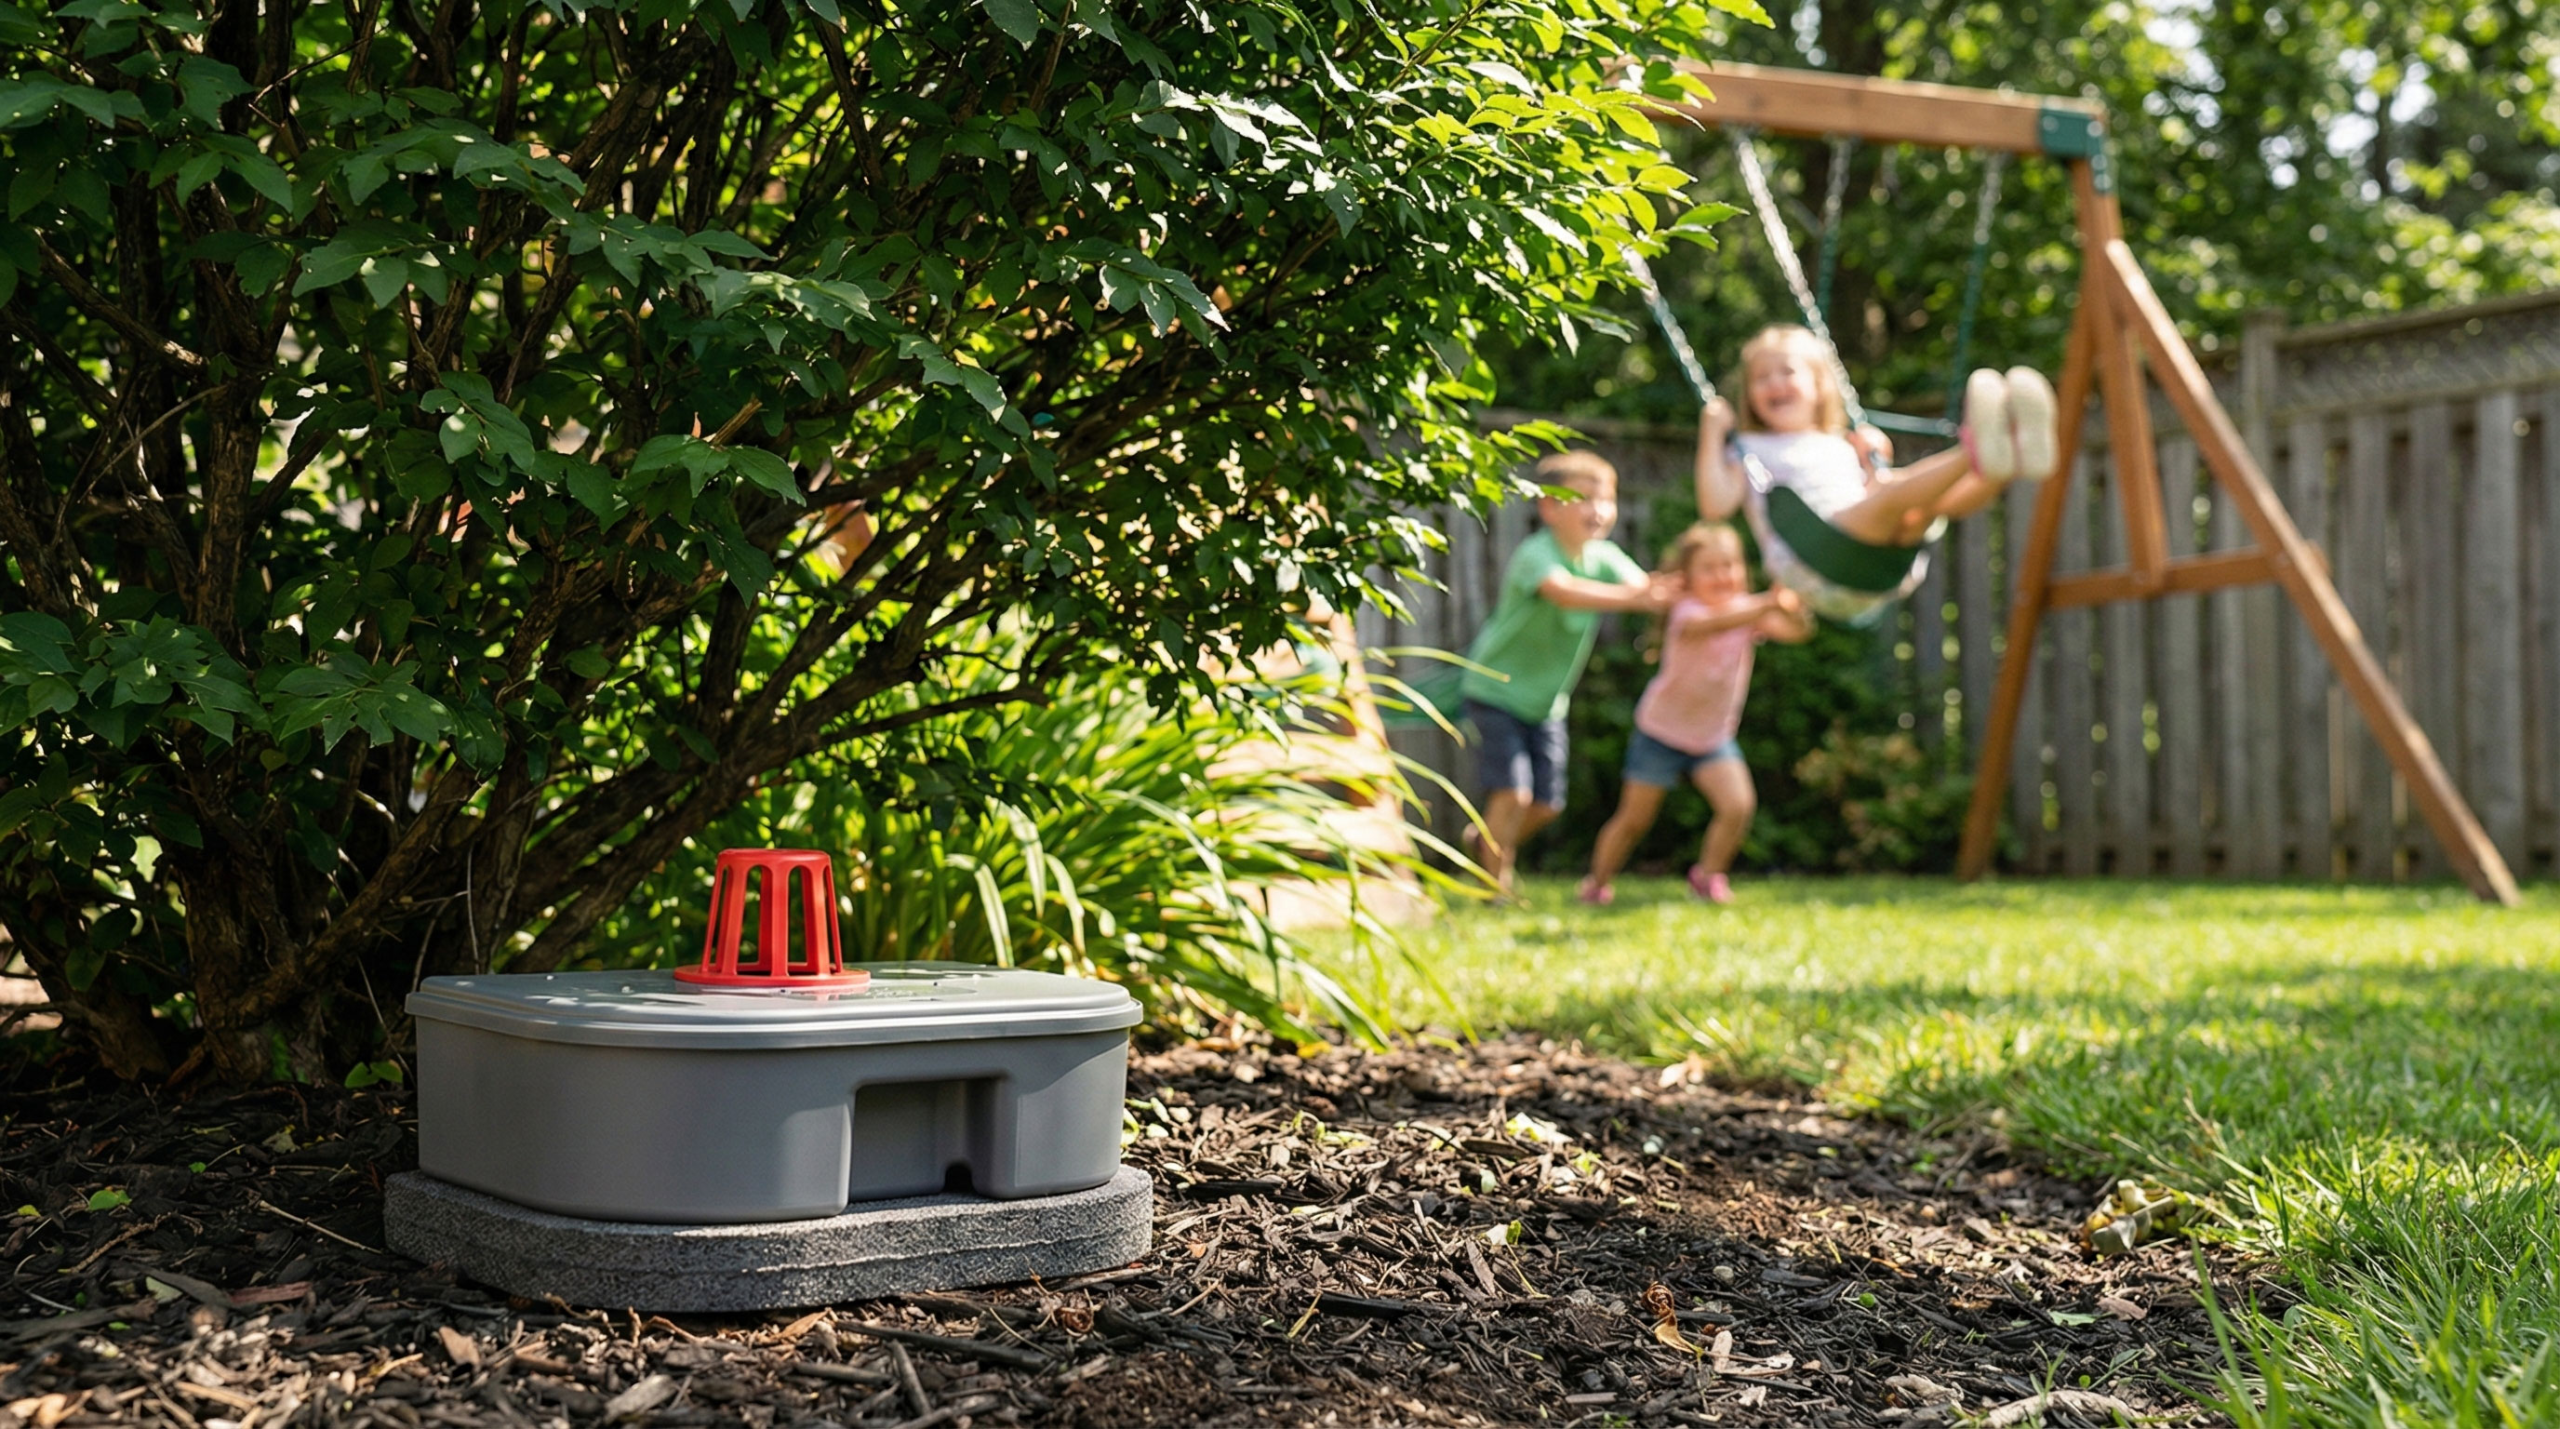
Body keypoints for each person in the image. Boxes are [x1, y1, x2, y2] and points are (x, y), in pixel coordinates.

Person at [1695, 324, 2058, 623]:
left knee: (1922, 508)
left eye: (1786, 372)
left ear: (1819, 386)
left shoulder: (1839, 443)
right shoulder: (1749, 448)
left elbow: (1869, 491)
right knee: (1892, 495)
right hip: (1816, 561)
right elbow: (1715, 507)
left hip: (1874, 554)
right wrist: (1712, 434)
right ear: (1749, 394)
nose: (1774, 384)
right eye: (1761, 378)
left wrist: (1875, 458)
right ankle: (1976, 449)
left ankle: (2006, 460)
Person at [1459, 451, 1673, 897]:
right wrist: (1637, 600)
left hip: (1546, 702)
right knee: (1513, 796)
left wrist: (1689, 592)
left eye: (1606, 499)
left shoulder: (1605, 557)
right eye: (1582, 498)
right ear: (1549, 507)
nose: (1597, 509)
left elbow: (1647, 590)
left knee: (1546, 805)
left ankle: (1484, 844)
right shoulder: (1536, 554)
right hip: (1495, 689)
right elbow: (1565, 593)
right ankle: (1494, 888)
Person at [1578, 523, 1813, 907]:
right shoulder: (1686, 612)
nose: (1722, 576)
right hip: (1660, 732)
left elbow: (1796, 632)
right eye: (1710, 568)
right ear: (1687, 577)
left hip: (1712, 737)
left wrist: (1795, 606)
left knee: (1737, 807)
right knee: (1634, 819)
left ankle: (1707, 877)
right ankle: (1597, 884)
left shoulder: (1748, 612)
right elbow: (1712, 623)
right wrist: (1767, 602)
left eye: (1729, 566)